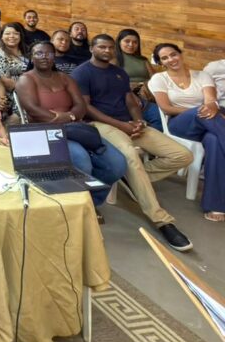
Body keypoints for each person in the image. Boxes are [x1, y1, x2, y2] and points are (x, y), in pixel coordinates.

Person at [72, 35, 194, 251]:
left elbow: (130, 99)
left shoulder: (118, 72)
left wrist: (138, 120)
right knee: (131, 156)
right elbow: (86, 108)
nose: (107, 50)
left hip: (129, 123)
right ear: (92, 48)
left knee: (183, 155)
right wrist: (122, 125)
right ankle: (162, 220)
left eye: (110, 47)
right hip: (100, 124)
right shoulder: (82, 73)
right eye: (102, 47)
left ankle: (131, 178)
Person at [17, 41, 127, 213]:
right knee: (82, 161)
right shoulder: (26, 79)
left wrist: (68, 117)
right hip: (46, 132)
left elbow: (81, 106)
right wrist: (63, 119)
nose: (44, 57)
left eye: (49, 53)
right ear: (32, 57)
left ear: (54, 57)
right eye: (39, 53)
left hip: (76, 129)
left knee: (117, 164)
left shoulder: (65, 78)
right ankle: (76, 207)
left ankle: (91, 202)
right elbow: (33, 110)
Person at [148, 43, 225, 222]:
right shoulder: (159, 78)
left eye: (173, 54)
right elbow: (166, 108)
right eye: (165, 58)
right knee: (201, 112)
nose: (171, 59)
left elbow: (210, 100)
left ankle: (216, 205)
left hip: (208, 123)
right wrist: (198, 110)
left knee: (214, 140)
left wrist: (210, 107)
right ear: (161, 62)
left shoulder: (202, 75)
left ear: (180, 54)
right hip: (179, 124)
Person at [115, 28, 162, 130]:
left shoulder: (143, 60)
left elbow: (155, 78)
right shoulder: (114, 59)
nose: (131, 45)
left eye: (135, 42)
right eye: (127, 41)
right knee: (157, 117)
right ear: (119, 42)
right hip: (127, 96)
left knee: (161, 119)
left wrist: (144, 85)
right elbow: (113, 81)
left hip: (147, 93)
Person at [0, 23, 29, 119]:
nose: (11, 36)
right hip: (12, 94)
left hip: (30, 89)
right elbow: (6, 82)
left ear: (20, 36)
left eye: (15, 33)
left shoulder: (28, 51)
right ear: (2, 37)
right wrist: (30, 88)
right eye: (7, 33)